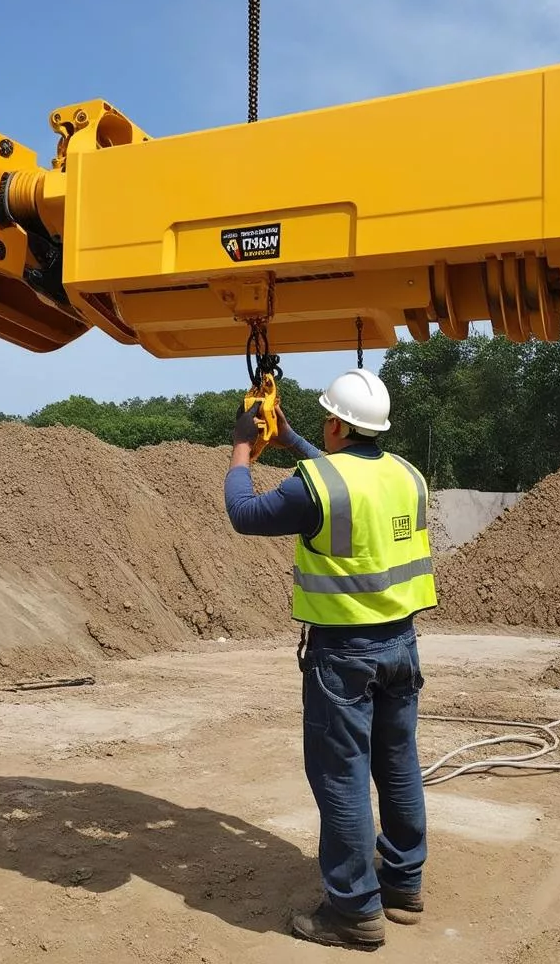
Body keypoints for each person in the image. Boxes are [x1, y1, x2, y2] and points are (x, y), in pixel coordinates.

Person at [224, 367, 438, 951]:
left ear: (338, 425)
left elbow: (244, 514)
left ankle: (353, 912)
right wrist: (291, 439)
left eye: (326, 420)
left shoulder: (315, 483)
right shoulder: (407, 475)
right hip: (402, 644)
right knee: (397, 764)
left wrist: (243, 446)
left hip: (344, 653)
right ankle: (403, 886)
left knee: (341, 776)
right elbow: (346, 481)